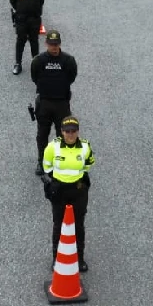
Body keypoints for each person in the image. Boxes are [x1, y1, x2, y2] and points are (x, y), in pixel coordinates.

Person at [42, 115, 94, 273]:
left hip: (78, 190)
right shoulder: (52, 147)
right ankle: (56, 258)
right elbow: (47, 167)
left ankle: (79, 259)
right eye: (67, 131)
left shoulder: (85, 147)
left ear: (78, 132)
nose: (70, 134)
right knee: (58, 224)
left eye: (73, 131)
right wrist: (55, 183)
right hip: (60, 190)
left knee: (78, 224)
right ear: (62, 132)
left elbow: (88, 164)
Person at [30, 29, 78, 175]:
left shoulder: (68, 61)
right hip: (44, 103)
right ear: (46, 44)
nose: (54, 47)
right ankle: (41, 162)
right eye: (51, 44)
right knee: (42, 135)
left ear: (60, 43)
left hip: (62, 104)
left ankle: (61, 161)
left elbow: (71, 77)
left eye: (56, 44)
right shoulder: (39, 61)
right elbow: (34, 77)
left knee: (63, 135)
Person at [9, 0, 45, 76]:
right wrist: (20, 10)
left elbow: (41, 1)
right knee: (21, 40)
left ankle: (36, 63)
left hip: (34, 19)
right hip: (21, 19)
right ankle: (18, 63)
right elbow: (12, 0)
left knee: (34, 41)